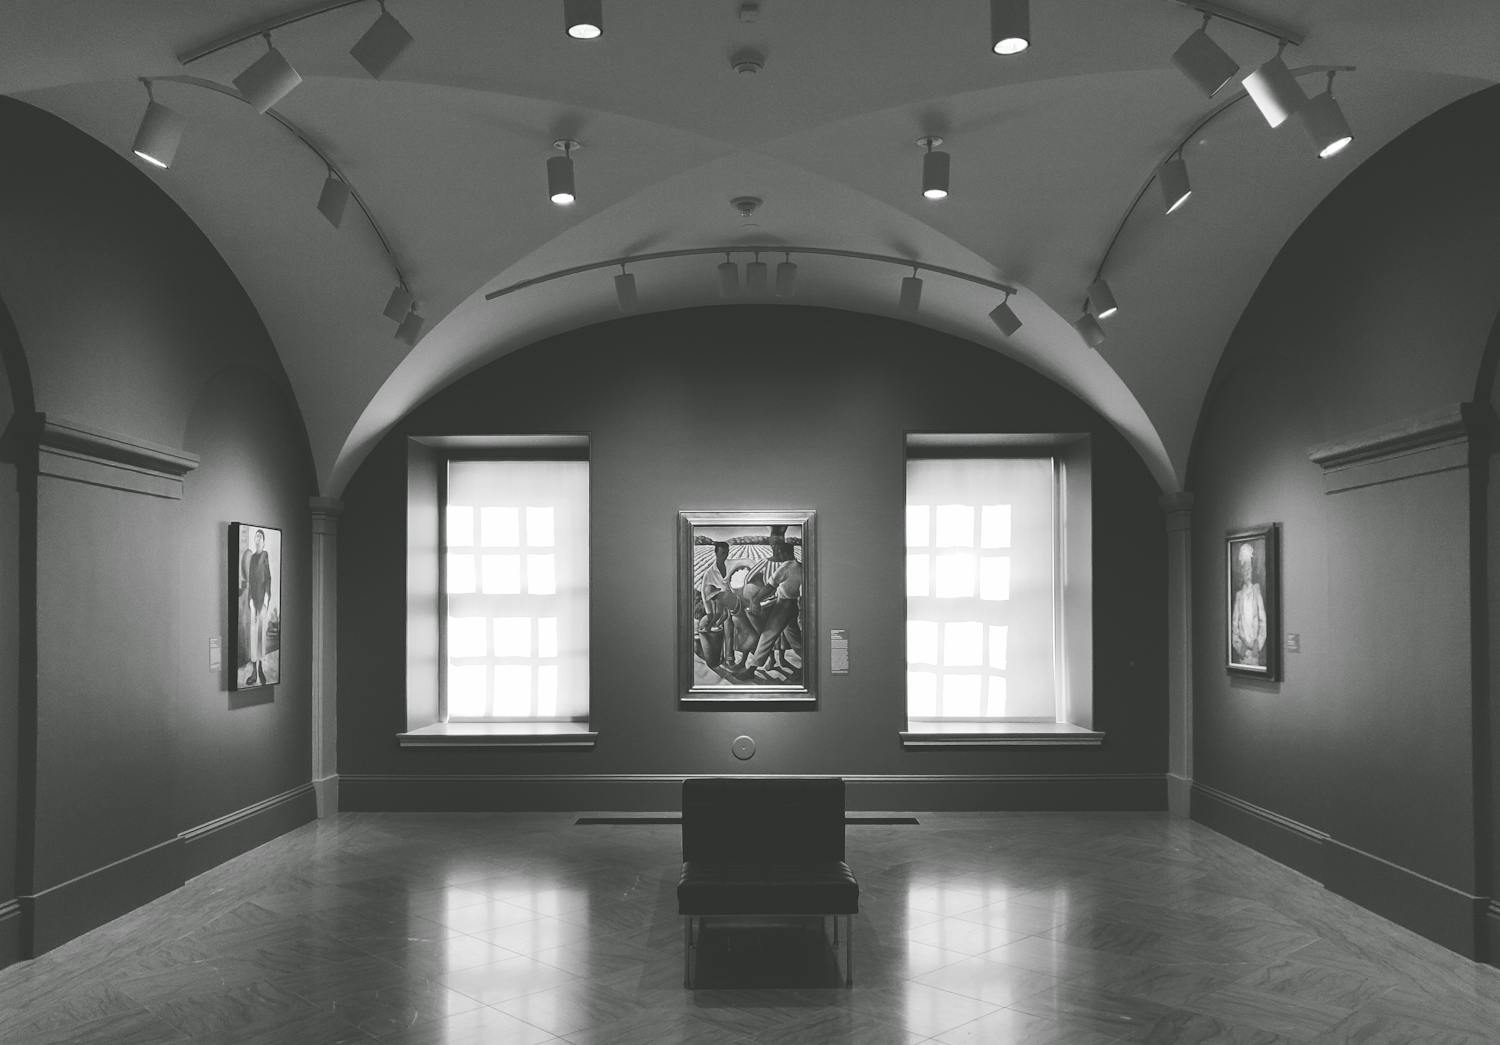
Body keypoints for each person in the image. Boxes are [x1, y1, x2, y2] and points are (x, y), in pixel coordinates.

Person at [733, 540, 803, 680]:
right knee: (794, 638)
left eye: (779, 553)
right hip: (793, 605)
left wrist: (755, 600)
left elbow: (770, 587)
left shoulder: (785, 568)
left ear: (783, 553)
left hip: (783, 606)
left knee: (767, 635)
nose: (778, 556)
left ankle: (751, 670)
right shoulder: (800, 566)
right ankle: (809, 663)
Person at [241, 529, 274, 685]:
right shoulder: (253, 558)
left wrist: (266, 601)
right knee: (254, 636)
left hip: (263, 602)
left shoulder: (265, 556)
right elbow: (251, 581)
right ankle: (254, 671)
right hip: (254, 602)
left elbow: (268, 579)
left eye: (260, 537)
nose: (257, 539)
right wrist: (251, 602)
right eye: (256, 537)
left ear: (264, 540)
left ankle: (260, 669)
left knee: (261, 637)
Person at [1230, 542, 1266, 666]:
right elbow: (1234, 625)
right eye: (1245, 570)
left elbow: (1263, 622)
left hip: (1255, 651)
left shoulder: (1257, 592)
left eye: (1249, 569)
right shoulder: (1239, 595)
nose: (1247, 573)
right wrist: (1240, 648)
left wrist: (1258, 645)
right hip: (1243, 653)